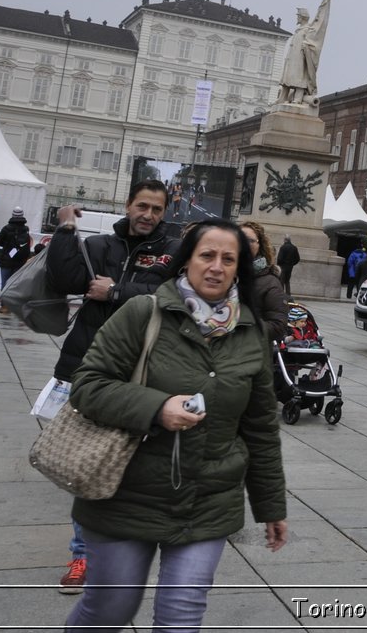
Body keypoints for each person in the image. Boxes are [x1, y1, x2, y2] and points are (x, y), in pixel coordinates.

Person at [62, 220, 288, 631]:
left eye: (228, 259)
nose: (216, 267)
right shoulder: (142, 312)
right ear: (186, 262)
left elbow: (260, 428)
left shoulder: (251, 332)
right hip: (125, 493)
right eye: (207, 255)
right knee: (111, 609)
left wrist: (271, 507)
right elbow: (88, 386)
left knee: (181, 616)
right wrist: (157, 407)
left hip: (207, 500)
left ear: (240, 269)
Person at [45, 181, 177, 594]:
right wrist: (65, 231)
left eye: (157, 209)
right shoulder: (101, 244)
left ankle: (123, 552)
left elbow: (170, 297)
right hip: (87, 365)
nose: (148, 215)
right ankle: (82, 556)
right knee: (87, 463)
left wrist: (116, 290)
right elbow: (64, 278)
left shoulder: (172, 251)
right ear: (128, 204)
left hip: (142, 372)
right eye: (142, 206)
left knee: (130, 469)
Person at [239, 221, 289, 343]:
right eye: (239, 238)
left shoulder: (270, 282)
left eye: (250, 240)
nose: (244, 244)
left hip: (251, 353)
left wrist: (239, 332)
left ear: (260, 245)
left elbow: (278, 327)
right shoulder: (223, 274)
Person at [0, 206, 33, 312]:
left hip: (7, 259)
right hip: (20, 261)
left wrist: (8, 246)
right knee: (15, 284)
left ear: (12, 215)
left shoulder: (6, 228)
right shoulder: (26, 229)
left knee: (5, 283)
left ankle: (4, 306)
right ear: (22, 215)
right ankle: (13, 306)